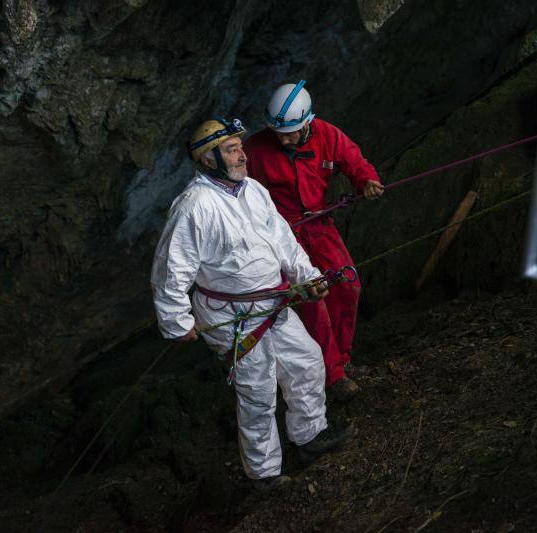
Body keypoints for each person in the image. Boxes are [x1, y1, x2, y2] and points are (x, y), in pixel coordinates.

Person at [151, 117, 355, 491]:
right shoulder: (194, 206)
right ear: (209, 160)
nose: (242, 154)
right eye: (231, 150)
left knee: (306, 361)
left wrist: (306, 277)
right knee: (258, 392)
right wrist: (177, 322)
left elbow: (282, 239)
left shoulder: (252, 190)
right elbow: (171, 269)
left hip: (274, 302)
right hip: (233, 317)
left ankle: (310, 437)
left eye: (240, 147)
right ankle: (264, 475)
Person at [244, 80, 385, 402]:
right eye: (279, 132)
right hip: (283, 237)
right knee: (312, 300)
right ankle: (331, 375)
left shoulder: (327, 135)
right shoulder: (255, 151)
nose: (285, 138)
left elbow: (353, 160)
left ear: (308, 120)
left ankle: (341, 361)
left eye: (292, 132)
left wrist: (366, 180)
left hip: (319, 225)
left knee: (347, 287)